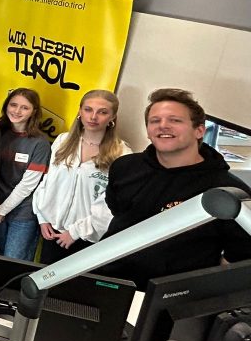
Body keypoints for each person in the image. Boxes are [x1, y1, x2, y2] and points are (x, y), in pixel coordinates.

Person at [100, 88, 251, 289]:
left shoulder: (228, 191)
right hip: (108, 280)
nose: (163, 125)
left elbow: (240, 253)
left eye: (175, 120)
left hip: (168, 295)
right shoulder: (124, 167)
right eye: (155, 120)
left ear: (199, 131)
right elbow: (117, 209)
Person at [32, 89, 132, 265]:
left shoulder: (121, 153)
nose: (93, 117)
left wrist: (75, 232)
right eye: (88, 109)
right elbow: (48, 183)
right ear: (79, 111)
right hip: (52, 231)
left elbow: (113, 205)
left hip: (87, 238)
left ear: (112, 117)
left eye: (102, 112)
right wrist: (42, 217)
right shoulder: (62, 141)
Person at [0, 88, 51, 260]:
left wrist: (1, 211)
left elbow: (28, 185)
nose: (17, 111)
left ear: (34, 112)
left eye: (25, 107)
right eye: (13, 105)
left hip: (22, 213)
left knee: (13, 260)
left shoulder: (40, 143)